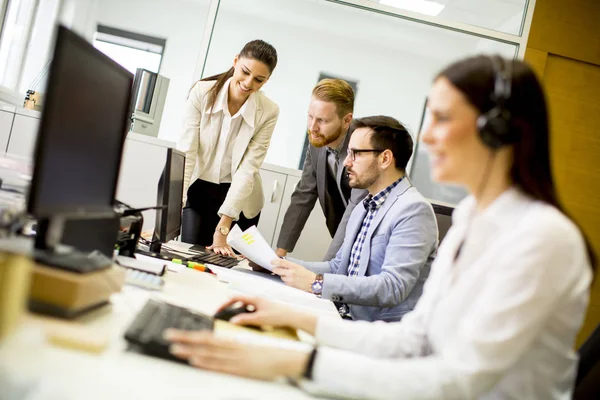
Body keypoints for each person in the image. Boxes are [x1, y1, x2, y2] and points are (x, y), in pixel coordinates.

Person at [165, 55, 596, 399]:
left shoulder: (543, 238)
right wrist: (296, 319)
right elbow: (415, 339)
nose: (427, 138)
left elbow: (458, 381)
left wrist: (295, 361)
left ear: (497, 131)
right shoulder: (471, 220)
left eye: (443, 119)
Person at [271, 115, 438, 322]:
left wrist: (316, 283)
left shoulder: (413, 210)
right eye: (348, 153)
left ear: (385, 158)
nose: (347, 162)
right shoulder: (363, 206)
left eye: (356, 154)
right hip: (343, 316)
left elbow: (392, 286)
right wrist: (277, 264)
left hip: (380, 332)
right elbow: (337, 267)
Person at [178, 40, 279, 257]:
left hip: (239, 200)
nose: (248, 83)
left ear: (267, 80)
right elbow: (187, 152)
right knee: (191, 256)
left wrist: (223, 228)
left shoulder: (269, 111)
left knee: (227, 266)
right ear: (235, 61)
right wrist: (173, 208)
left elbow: (248, 169)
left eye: (259, 80)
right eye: (245, 72)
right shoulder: (202, 92)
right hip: (199, 188)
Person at [275, 79, 368, 261]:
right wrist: (279, 254)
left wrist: (327, 267)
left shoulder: (363, 144)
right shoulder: (318, 140)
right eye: (310, 116)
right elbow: (304, 194)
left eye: (322, 120)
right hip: (343, 239)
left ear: (346, 120)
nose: (312, 127)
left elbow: (355, 208)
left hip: (370, 241)